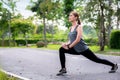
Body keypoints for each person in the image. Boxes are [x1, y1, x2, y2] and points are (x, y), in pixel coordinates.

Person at [56, 11, 118, 76]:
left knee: (97, 60)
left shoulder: (79, 27)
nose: (69, 17)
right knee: (61, 49)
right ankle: (63, 68)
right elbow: (71, 39)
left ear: (76, 17)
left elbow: (78, 39)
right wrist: (66, 44)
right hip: (75, 49)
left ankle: (114, 65)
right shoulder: (71, 28)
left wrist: (69, 47)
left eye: (71, 15)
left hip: (83, 49)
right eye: (69, 15)